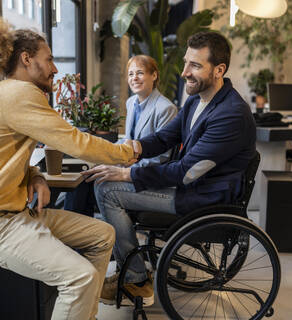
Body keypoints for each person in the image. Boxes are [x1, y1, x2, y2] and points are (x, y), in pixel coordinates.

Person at [0, 15, 139, 320]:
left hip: (14, 217)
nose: (54, 68)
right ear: (27, 59)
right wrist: (125, 153)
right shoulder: (19, 94)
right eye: (48, 59)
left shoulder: (5, 95)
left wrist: (36, 176)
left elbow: (9, 155)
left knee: (103, 234)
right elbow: (75, 142)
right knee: (81, 276)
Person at [83, 31, 257, 306]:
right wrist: (129, 150)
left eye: (195, 65)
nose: (185, 72)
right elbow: (164, 138)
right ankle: (133, 269)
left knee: (107, 190)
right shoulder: (197, 101)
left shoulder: (231, 114)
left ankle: (136, 278)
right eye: (186, 63)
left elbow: (186, 171)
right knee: (108, 181)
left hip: (203, 198)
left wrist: (128, 173)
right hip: (191, 187)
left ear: (219, 70)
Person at [63, 55, 177, 216]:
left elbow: (160, 158)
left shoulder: (166, 108)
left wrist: (124, 171)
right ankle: (79, 227)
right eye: (130, 74)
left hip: (144, 176)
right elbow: (127, 140)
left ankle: (74, 226)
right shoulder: (131, 102)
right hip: (125, 164)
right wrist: (103, 155)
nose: (134, 78)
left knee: (92, 178)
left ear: (154, 75)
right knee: (86, 173)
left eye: (140, 73)